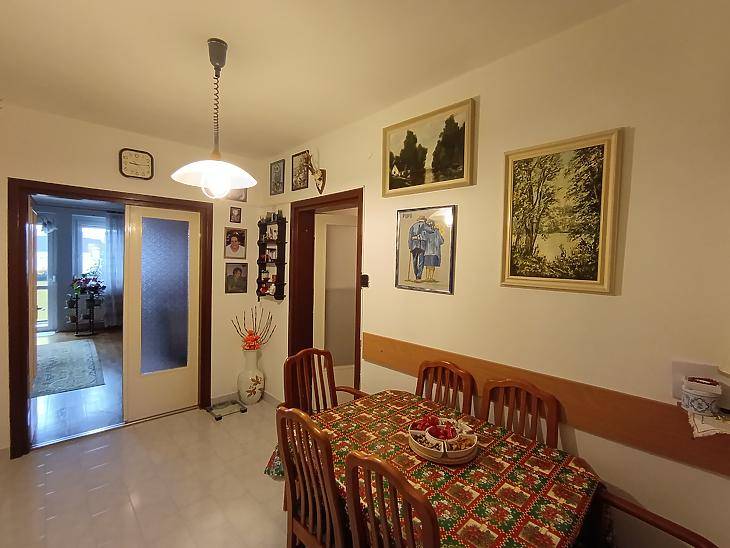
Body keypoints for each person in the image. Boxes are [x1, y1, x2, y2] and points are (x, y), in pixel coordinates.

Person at [407, 217, 428, 281]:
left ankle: (416, 275)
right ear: (424, 220)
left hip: (414, 246)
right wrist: (419, 237)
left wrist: (410, 246)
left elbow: (410, 237)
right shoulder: (425, 226)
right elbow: (426, 236)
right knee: (421, 261)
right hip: (421, 246)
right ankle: (419, 276)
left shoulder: (413, 226)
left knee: (414, 261)